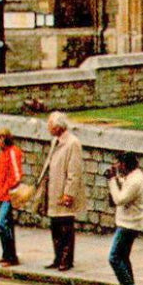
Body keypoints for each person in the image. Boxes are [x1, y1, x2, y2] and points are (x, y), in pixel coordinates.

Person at [37, 111, 84, 271]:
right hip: (54, 189)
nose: (48, 128)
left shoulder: (73, 143)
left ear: (58, 126)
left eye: (50, 125)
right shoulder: (55, 141)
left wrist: (69, 193)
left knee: (66, 227)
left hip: (64, 191)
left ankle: (66, 259)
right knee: (55, 226)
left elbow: (74, 171)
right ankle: (57, 258)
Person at [106, 151, 143, 285]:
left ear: (125, 164)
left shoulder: (135, 180)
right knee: (123, 257)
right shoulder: (133, 176)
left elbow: (120, 199)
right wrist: (116, 179)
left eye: (118, 164)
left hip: (129, 225)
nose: (116, 166)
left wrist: (111, 181)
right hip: (128, 222)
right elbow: (123, 185)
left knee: (114, 257)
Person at [0, 128, 24, 267]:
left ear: (5, 138)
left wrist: (6, 188)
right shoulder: (2, 154)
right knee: (6, 225)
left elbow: (17, 176)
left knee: (2, 222)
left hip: (8, 195)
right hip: (2, 194)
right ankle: (7, 255)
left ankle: (11, 257)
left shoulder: (12, 152)